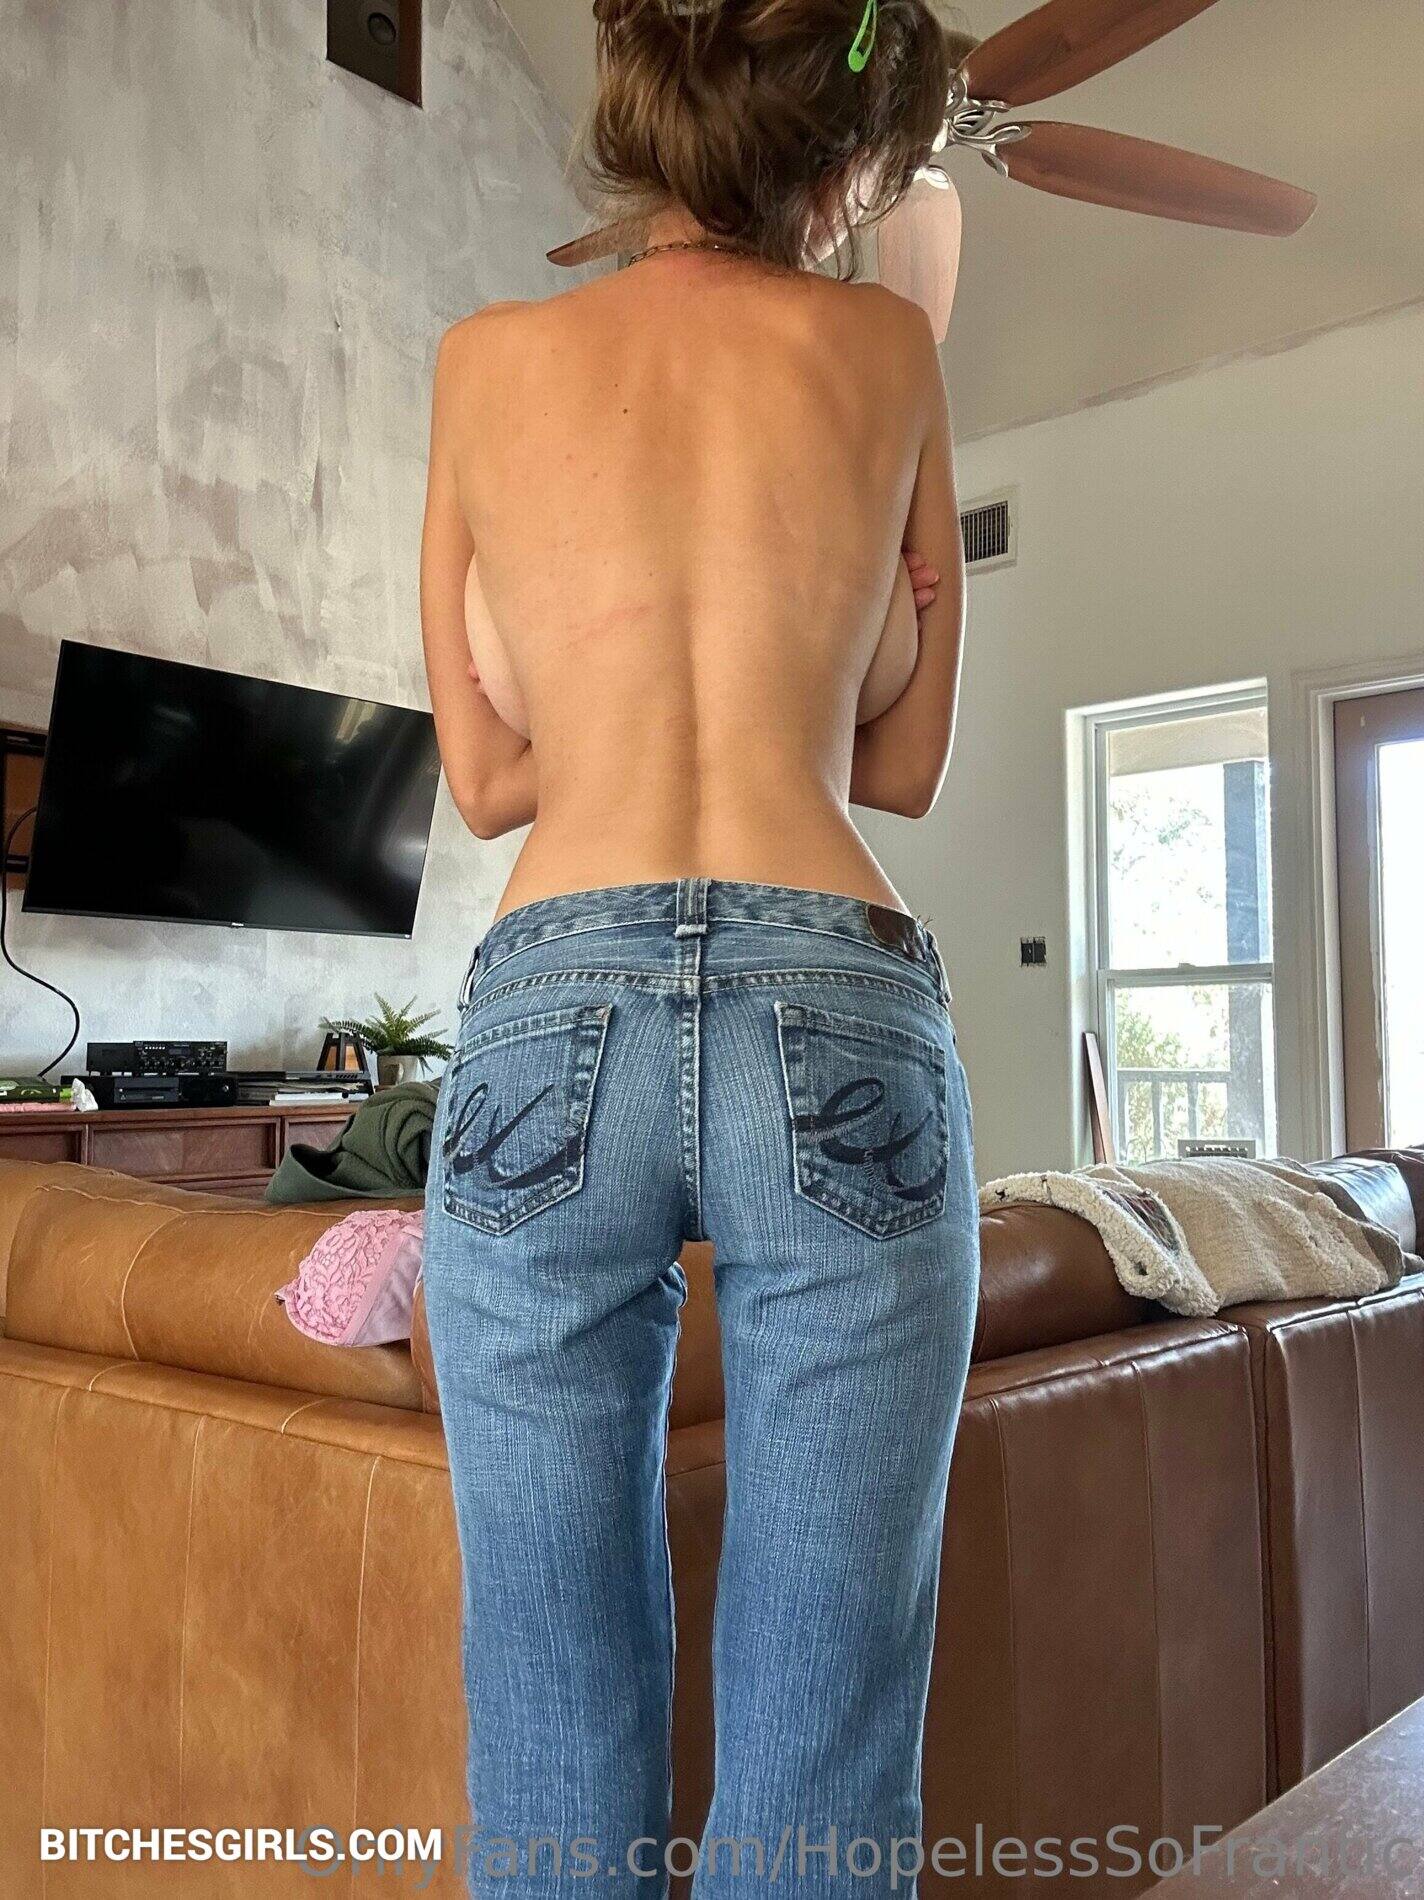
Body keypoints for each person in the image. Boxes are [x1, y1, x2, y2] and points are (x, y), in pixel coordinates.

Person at [418, 3, 979, 1894]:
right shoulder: (887, 346)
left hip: (548, 991)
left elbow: (485, 780)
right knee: (828, 1711)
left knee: (546, 1689)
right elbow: (902, 763)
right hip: (833, 979)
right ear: (848, 165)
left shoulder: (483, 362)